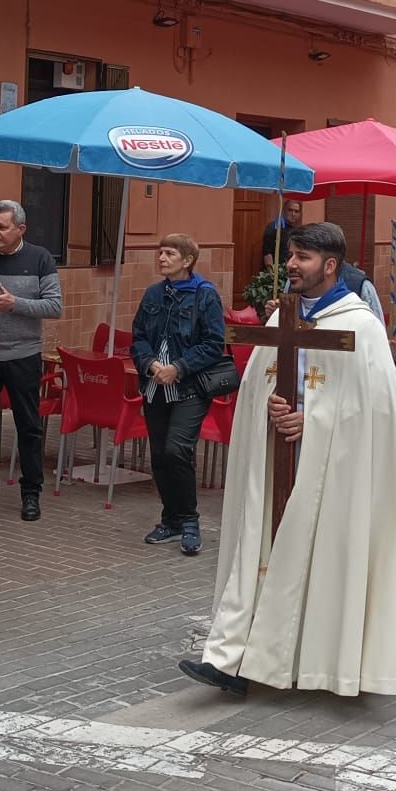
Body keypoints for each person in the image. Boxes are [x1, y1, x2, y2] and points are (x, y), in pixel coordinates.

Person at [181, 222, 396, 698]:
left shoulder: (359, 326)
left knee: (315, 555)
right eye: (290, 256)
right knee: (258, 549)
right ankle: (234, 658)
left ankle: (307, 662)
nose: (290, 265)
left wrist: (314, 422)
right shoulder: (283, 319)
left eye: (301, 257)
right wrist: (270, 404)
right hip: (275, 459)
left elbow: (376, 409)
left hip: (331, 468)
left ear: (330, 265)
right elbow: (258, 380)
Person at [130, 234, 227, 555]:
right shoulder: (153, 293)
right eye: (160, 253)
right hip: (155, 386)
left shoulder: (205, 296)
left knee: (176, 451)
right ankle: (169, 520)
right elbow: (139, 336)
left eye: (169, 253)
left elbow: (213, 344)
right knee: (159, 455)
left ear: (187, 261)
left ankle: (189, 521)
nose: (161, 258)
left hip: (189, 387)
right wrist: (149, 364)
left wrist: (180, 367)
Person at [0, 200, 63, 523]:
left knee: (29, 428)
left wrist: (15, 303)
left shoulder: (40, 258)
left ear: (20, 229)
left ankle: (31, 493)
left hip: (23, 356)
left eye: (2, 227)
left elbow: (54, 307)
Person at [259, 200, 305, 268]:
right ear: (283, 211)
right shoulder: (274, 227)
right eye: (290, 210)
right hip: (277, 272)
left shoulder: (297, 231)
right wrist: (272, 274)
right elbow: (267, 253)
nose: (293, 214)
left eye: (296, 211)